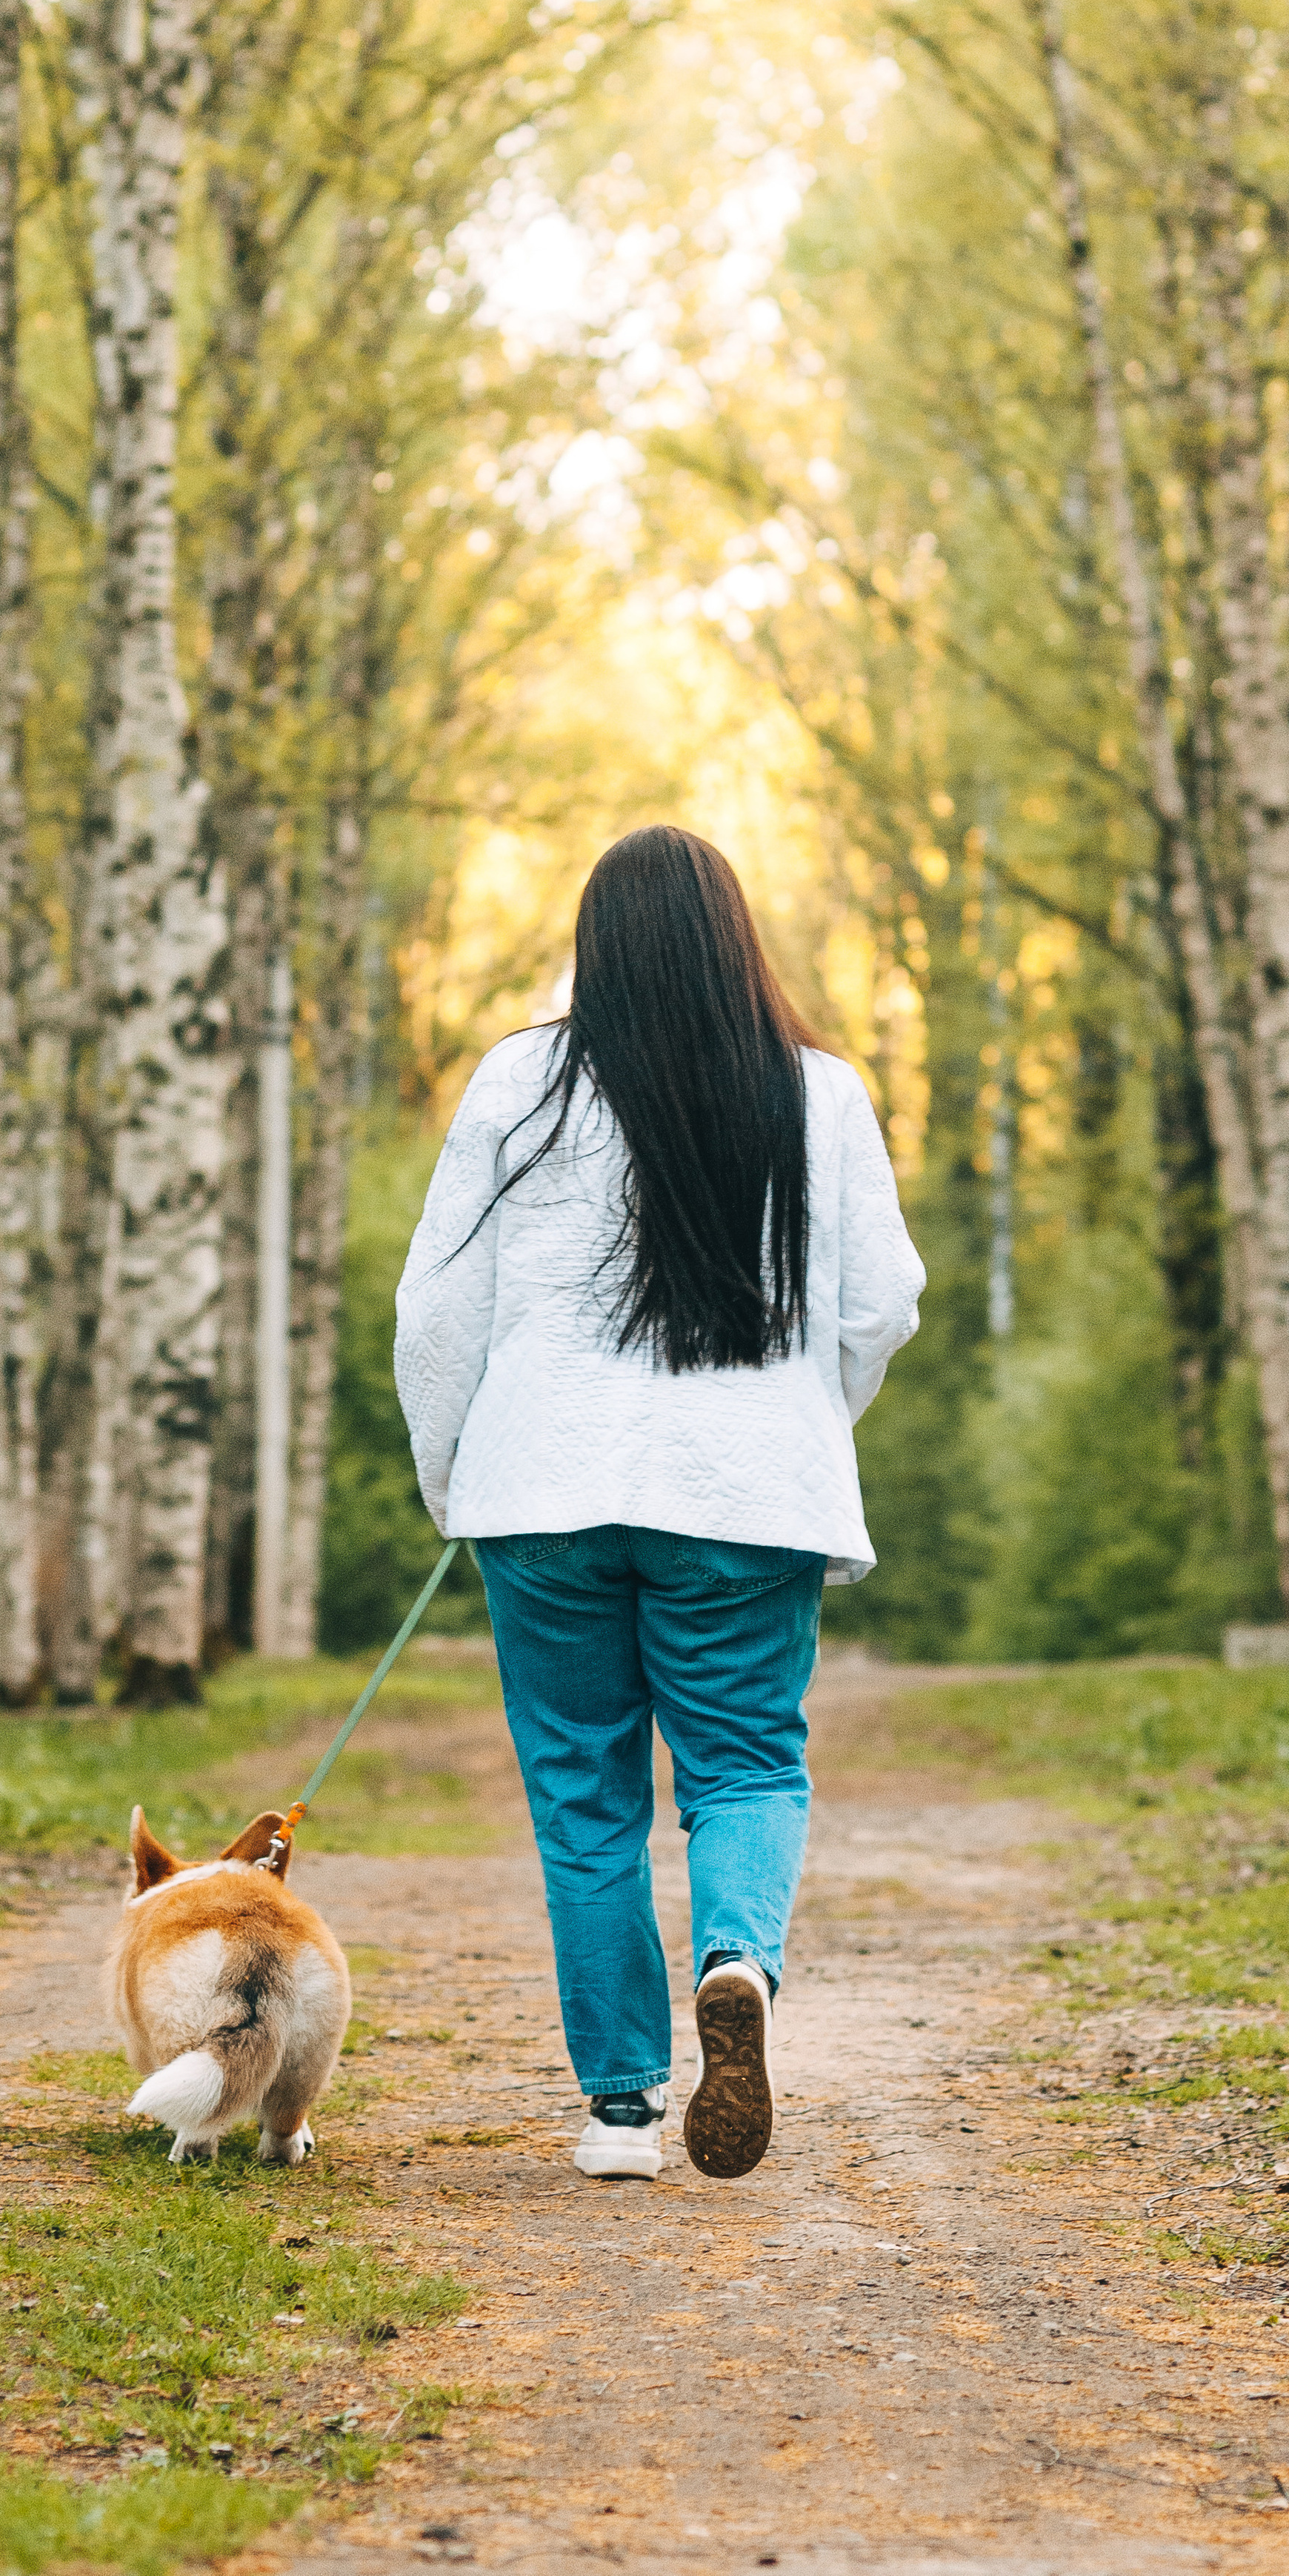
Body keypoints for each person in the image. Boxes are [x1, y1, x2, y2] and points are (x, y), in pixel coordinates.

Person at [393, 826, 925, 2182]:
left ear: (597, 945)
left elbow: (437, 1310)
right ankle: (736, 1959)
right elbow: (880, 1307)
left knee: (585, 1798)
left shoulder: (521, 1082)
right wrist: (808, 1419)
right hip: (747, 1491)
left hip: (543, 1487)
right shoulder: (823, 1092)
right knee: (745, 1761)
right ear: (734, 936)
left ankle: (620, 2109)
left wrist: (451, 1474)